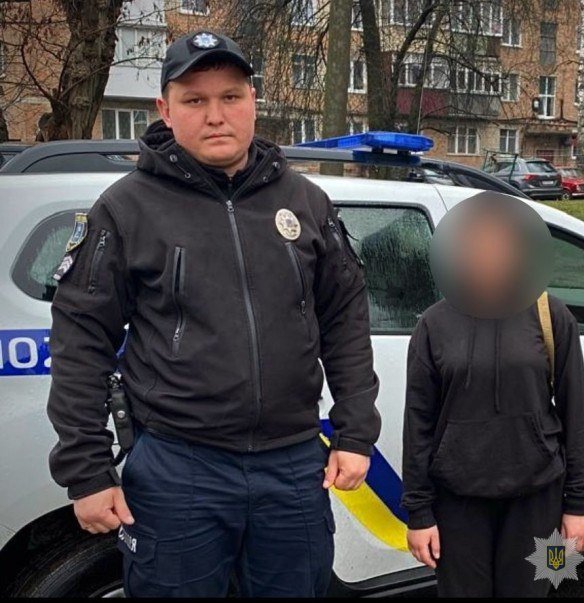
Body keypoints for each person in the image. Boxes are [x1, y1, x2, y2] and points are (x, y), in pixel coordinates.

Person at [46, 30, 380, 597]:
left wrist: (355, 432)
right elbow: (80, 341)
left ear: (253, 101)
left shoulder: (305, 202)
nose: (216, 115)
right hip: (179, 469)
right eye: (195, 100)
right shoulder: (126, 209)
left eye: (230, 96)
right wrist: (86, 470)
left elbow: (345, 319)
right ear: (165, 110)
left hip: (293, 465)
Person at [401, 200, 584, 597]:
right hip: (457, 502)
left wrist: (579, 505)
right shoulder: (434, 323)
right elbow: (418, 421)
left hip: (540, 499)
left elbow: (577, 409)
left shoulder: (551, 315)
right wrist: (419, 512)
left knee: (540, 588)